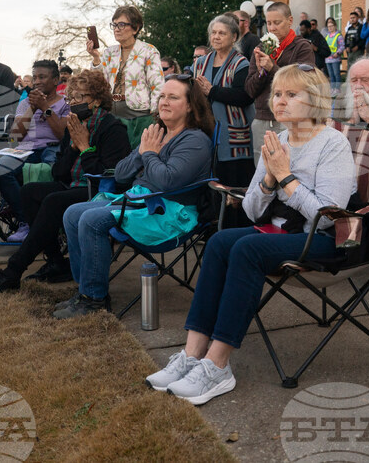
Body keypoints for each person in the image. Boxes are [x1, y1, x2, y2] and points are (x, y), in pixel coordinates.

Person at [150, 65, 354, 403]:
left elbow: (327, 217)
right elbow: (253, 210)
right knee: (219, 241)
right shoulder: (279, 140)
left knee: (248, 248)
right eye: (277, 94)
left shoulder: (333, 144)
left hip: (321, 240)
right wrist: (269, 181)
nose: (280, 101)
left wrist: (285, 177)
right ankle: (192, 354)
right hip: (277, 230)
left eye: (292, 94)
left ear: (315, 99)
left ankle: (217, 366)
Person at [55, 76, 215, 318]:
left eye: (173, 97)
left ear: (191, 105)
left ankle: (94, 300)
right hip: (139, 200)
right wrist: (142, 152)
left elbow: (167, 182)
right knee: (72, 213)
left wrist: (149, 154)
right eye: (162, 96)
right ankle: (85, 290)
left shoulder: (195, 141)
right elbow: (120, 174)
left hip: (169, 212)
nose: (164, 102)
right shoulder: (157, 132)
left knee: (91, 220)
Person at [0, 70, 132, 297]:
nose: (74, 103)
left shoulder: (112, 128)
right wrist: (72, 148)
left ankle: (13, 271)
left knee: (54, 200)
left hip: (101, 192)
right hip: (74, 186)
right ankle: (56, 261)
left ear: (96, 100)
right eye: (71, 98)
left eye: (80, 97)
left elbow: (110, 176)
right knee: (29, 192)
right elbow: (59, 173)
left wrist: (85, 148)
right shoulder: (73, 125)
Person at [0, 60, 71, 242]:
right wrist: (33, 108)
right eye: (35, 78)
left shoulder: (65, 103)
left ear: (55, 80)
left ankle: (53, 223)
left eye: (42, 77)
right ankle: (26, 221)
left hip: (52, 147)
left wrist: (45, 108)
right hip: (26, 149)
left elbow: (61, 135)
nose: (37, 82)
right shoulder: (25, 103)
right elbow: (15, 136)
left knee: (53, 173)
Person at [245, 2, 315, 156]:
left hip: (291, 119)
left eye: (277, 22)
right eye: (269, 23)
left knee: (290, 166)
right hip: (262, 119)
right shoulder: (261, 48)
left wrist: (272, 68)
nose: (272, 28)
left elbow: (305, 82)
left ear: (290, 21)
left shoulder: (302, 47)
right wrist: (261, 72)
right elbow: (250, 90)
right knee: (261, 167)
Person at [194, 14, 255, 188]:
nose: (216, 37)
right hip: (206, 132)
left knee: (234, 185)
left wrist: (212, 91)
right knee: (210, 184)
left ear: (234, 37)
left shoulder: (241, 63)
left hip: (234, 138)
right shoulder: (200, 63)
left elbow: (244, 96)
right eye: (213, 33)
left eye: (222, 33)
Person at [88, 5, 163, 120]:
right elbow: (98, 82)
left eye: (121, 24)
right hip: (110, 111)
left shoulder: (149, 51)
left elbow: (157, 85)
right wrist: (96, 57)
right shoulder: (109, 52)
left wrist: (156, 116)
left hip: (139, 114)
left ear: (135, 28)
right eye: (114, 25)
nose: (116, 29)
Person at [322, 17, 344, 91]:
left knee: (336, 74)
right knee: (331, 75)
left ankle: (337, 88)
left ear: (335, 26)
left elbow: (342, 46)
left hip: (335, 58)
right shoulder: (327, 36)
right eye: (328, 27)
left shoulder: (338, 36)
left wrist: (337, 53)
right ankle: (332, 88)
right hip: (328, 59)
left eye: (331, 26)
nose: (330, 28)